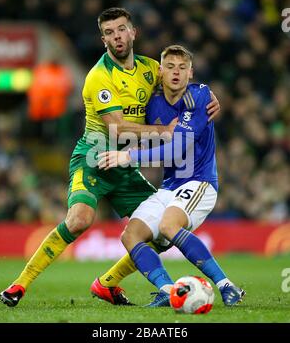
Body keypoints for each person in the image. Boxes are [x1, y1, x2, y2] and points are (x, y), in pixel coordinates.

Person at [0, 8, 219, 307]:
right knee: (79, 220)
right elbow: (116, 129)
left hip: (126, 164)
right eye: (110, 32)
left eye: (121, 29)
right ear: (103, 39)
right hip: (94, 158)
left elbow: (181, 85)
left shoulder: (151, 69)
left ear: (133, 32)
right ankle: (18, 286)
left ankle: (109, 284)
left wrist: (207, 96)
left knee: (158, 234)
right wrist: (164, 131)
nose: (117, 36)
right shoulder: (99, 77)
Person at [97, 44, 245, 307]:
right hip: (169, 187)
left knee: (168, 226)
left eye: (182, 68)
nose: (176, 73)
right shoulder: (153, 103)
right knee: (130, 236)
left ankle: (226, 285)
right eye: (170, 67)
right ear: (160, 71)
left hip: (199, 181)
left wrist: (129, 157)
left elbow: (178, 148)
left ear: (191, 73)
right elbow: (142, 134)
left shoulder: (199, 97)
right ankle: (167, 290)